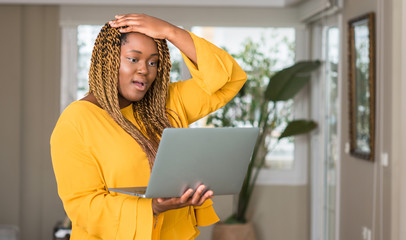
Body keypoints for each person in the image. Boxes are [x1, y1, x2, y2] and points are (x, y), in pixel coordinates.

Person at [50, 13, 247, 239]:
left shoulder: (166, 104)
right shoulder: (77, 120)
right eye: (133, 59)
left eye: (153, 62)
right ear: (108, 61)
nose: (145, 70)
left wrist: (171, 32)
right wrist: (152, 207)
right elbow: (83, 206)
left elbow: (230, 80)